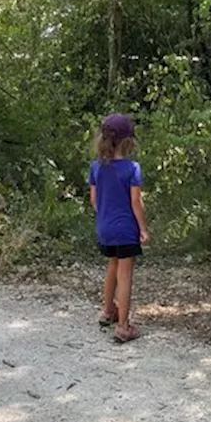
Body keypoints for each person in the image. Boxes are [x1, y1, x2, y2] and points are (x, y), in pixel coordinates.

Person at [89, 114, 150, 344]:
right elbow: (136, 202)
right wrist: (143, 228)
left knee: (112, 267)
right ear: (128, 142)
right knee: (126, 276)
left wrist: (105, 216)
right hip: (125, 230)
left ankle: (107, 311)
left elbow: (94, 200)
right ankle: (124, 326)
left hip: (105, 229)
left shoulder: (96, 167)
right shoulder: (132, 169)